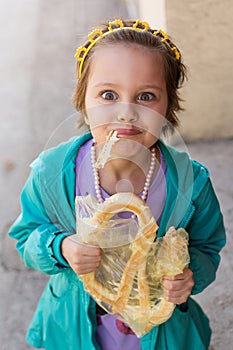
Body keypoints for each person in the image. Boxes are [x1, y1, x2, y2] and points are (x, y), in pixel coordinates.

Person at [9, 19, 226, 350]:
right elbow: (26, 236)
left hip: (162, 333)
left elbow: (207, 247)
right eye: (108, 94)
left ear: (169, 106)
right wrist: (61, 246)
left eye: (146, 96)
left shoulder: (191, 184)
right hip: (75, 328)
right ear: (84, 99)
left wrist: (189, 275)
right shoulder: (52, 175)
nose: (126, 112)